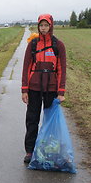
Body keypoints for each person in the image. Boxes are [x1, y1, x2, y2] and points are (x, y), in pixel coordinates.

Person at [21, 14, 67, 163]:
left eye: (46, 25)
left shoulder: (58, 45)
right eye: (41, 25)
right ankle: (30, 151)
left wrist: (61, 91)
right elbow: (26, 67)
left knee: (50, 120)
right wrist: (24, 89)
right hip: (34, 87)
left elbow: (62, 69)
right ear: (38, 27)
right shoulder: (33, 44)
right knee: (32, 120)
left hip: (51, 88)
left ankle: (49, 149)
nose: (44, 28)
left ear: (51, 26)